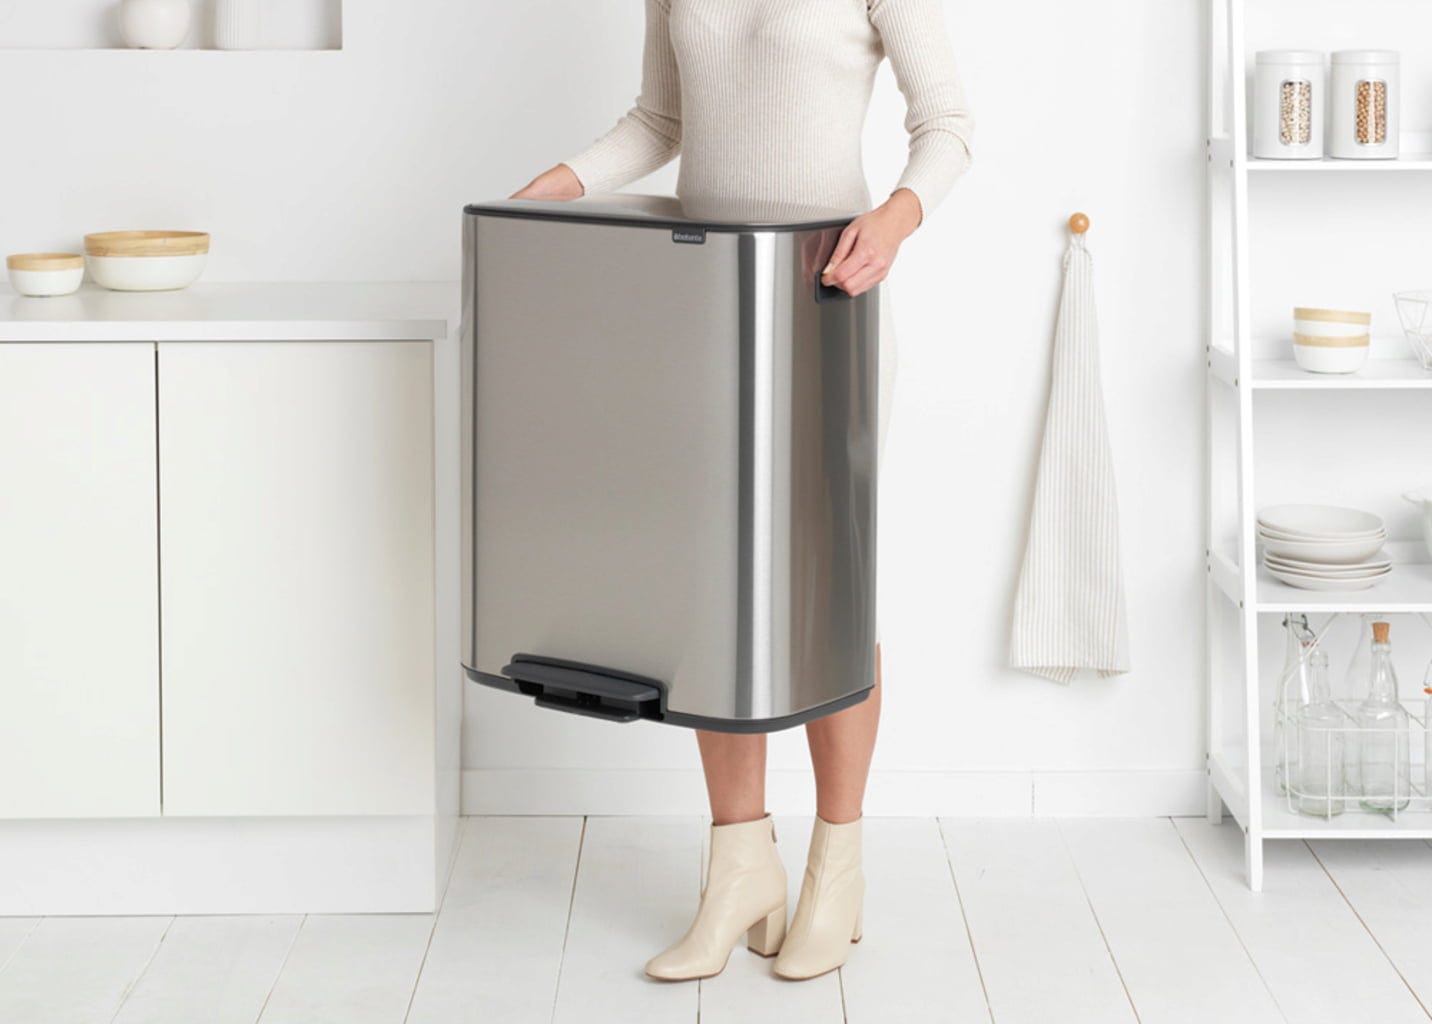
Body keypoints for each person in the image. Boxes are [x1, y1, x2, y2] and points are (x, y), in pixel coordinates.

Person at [513, 0, 973, 983]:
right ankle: (739, 870)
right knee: (712, 596)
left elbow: (946, 125)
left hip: (825, 303)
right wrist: (546, 192)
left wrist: (895, 219)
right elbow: (661, 121)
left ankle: (836, 872)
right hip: (701, 305)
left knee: (828, 593)